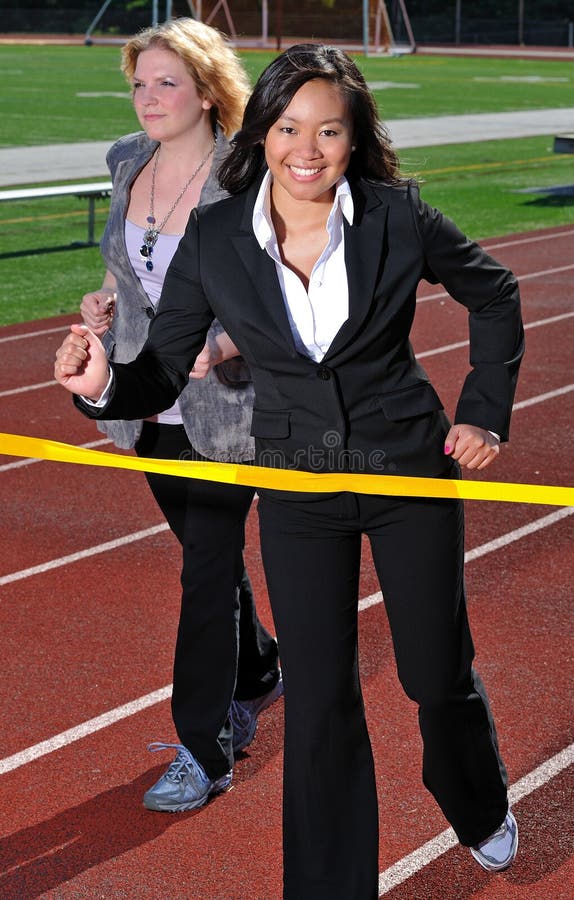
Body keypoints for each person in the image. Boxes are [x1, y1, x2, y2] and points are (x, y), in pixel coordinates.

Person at [55, 44, 524, 899]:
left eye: (330, 130)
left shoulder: (397, 216)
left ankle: (476, 797)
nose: (306, 149)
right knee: (318, 699)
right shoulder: (218, 235)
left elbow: (495, 294)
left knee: (433, 673)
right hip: (297, 484)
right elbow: (161, 367)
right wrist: (102, 387)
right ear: (263, 131)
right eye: (288, 127)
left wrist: (483, 410)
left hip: (404, 471)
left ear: (355, 138)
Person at [76, 17, 282, 815]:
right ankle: (260, 666)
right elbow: (131, 262)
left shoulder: (251, 175)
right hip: (145, 400)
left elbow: (289, 286)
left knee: (203, 572)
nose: (147, 98)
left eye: (165, 82)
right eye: (138, 82)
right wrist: (105, 299)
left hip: (231, 407)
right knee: (210, 558)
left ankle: (205, 746)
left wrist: (229, 341)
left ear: (205, 91)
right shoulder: (128, 160)